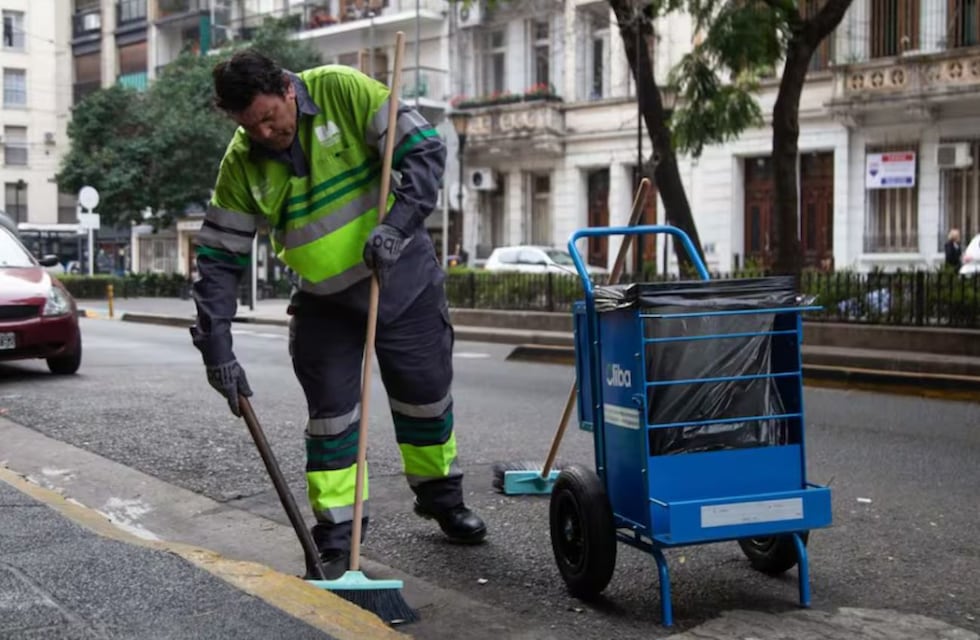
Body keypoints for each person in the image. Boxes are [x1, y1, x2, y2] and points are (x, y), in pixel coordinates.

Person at [189, 49, 487, 579]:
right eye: (247, 125)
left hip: (403, 281)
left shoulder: (342, 92)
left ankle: (441, 497)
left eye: (267, 118)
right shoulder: (242, 161)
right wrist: (218, 349)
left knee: (425, 399)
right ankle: (339, 538)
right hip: (324, 302)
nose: (261, 133)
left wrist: (396, 223)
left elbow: (423, 149)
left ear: (287, 89)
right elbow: (218, 258)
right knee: (331, 422)